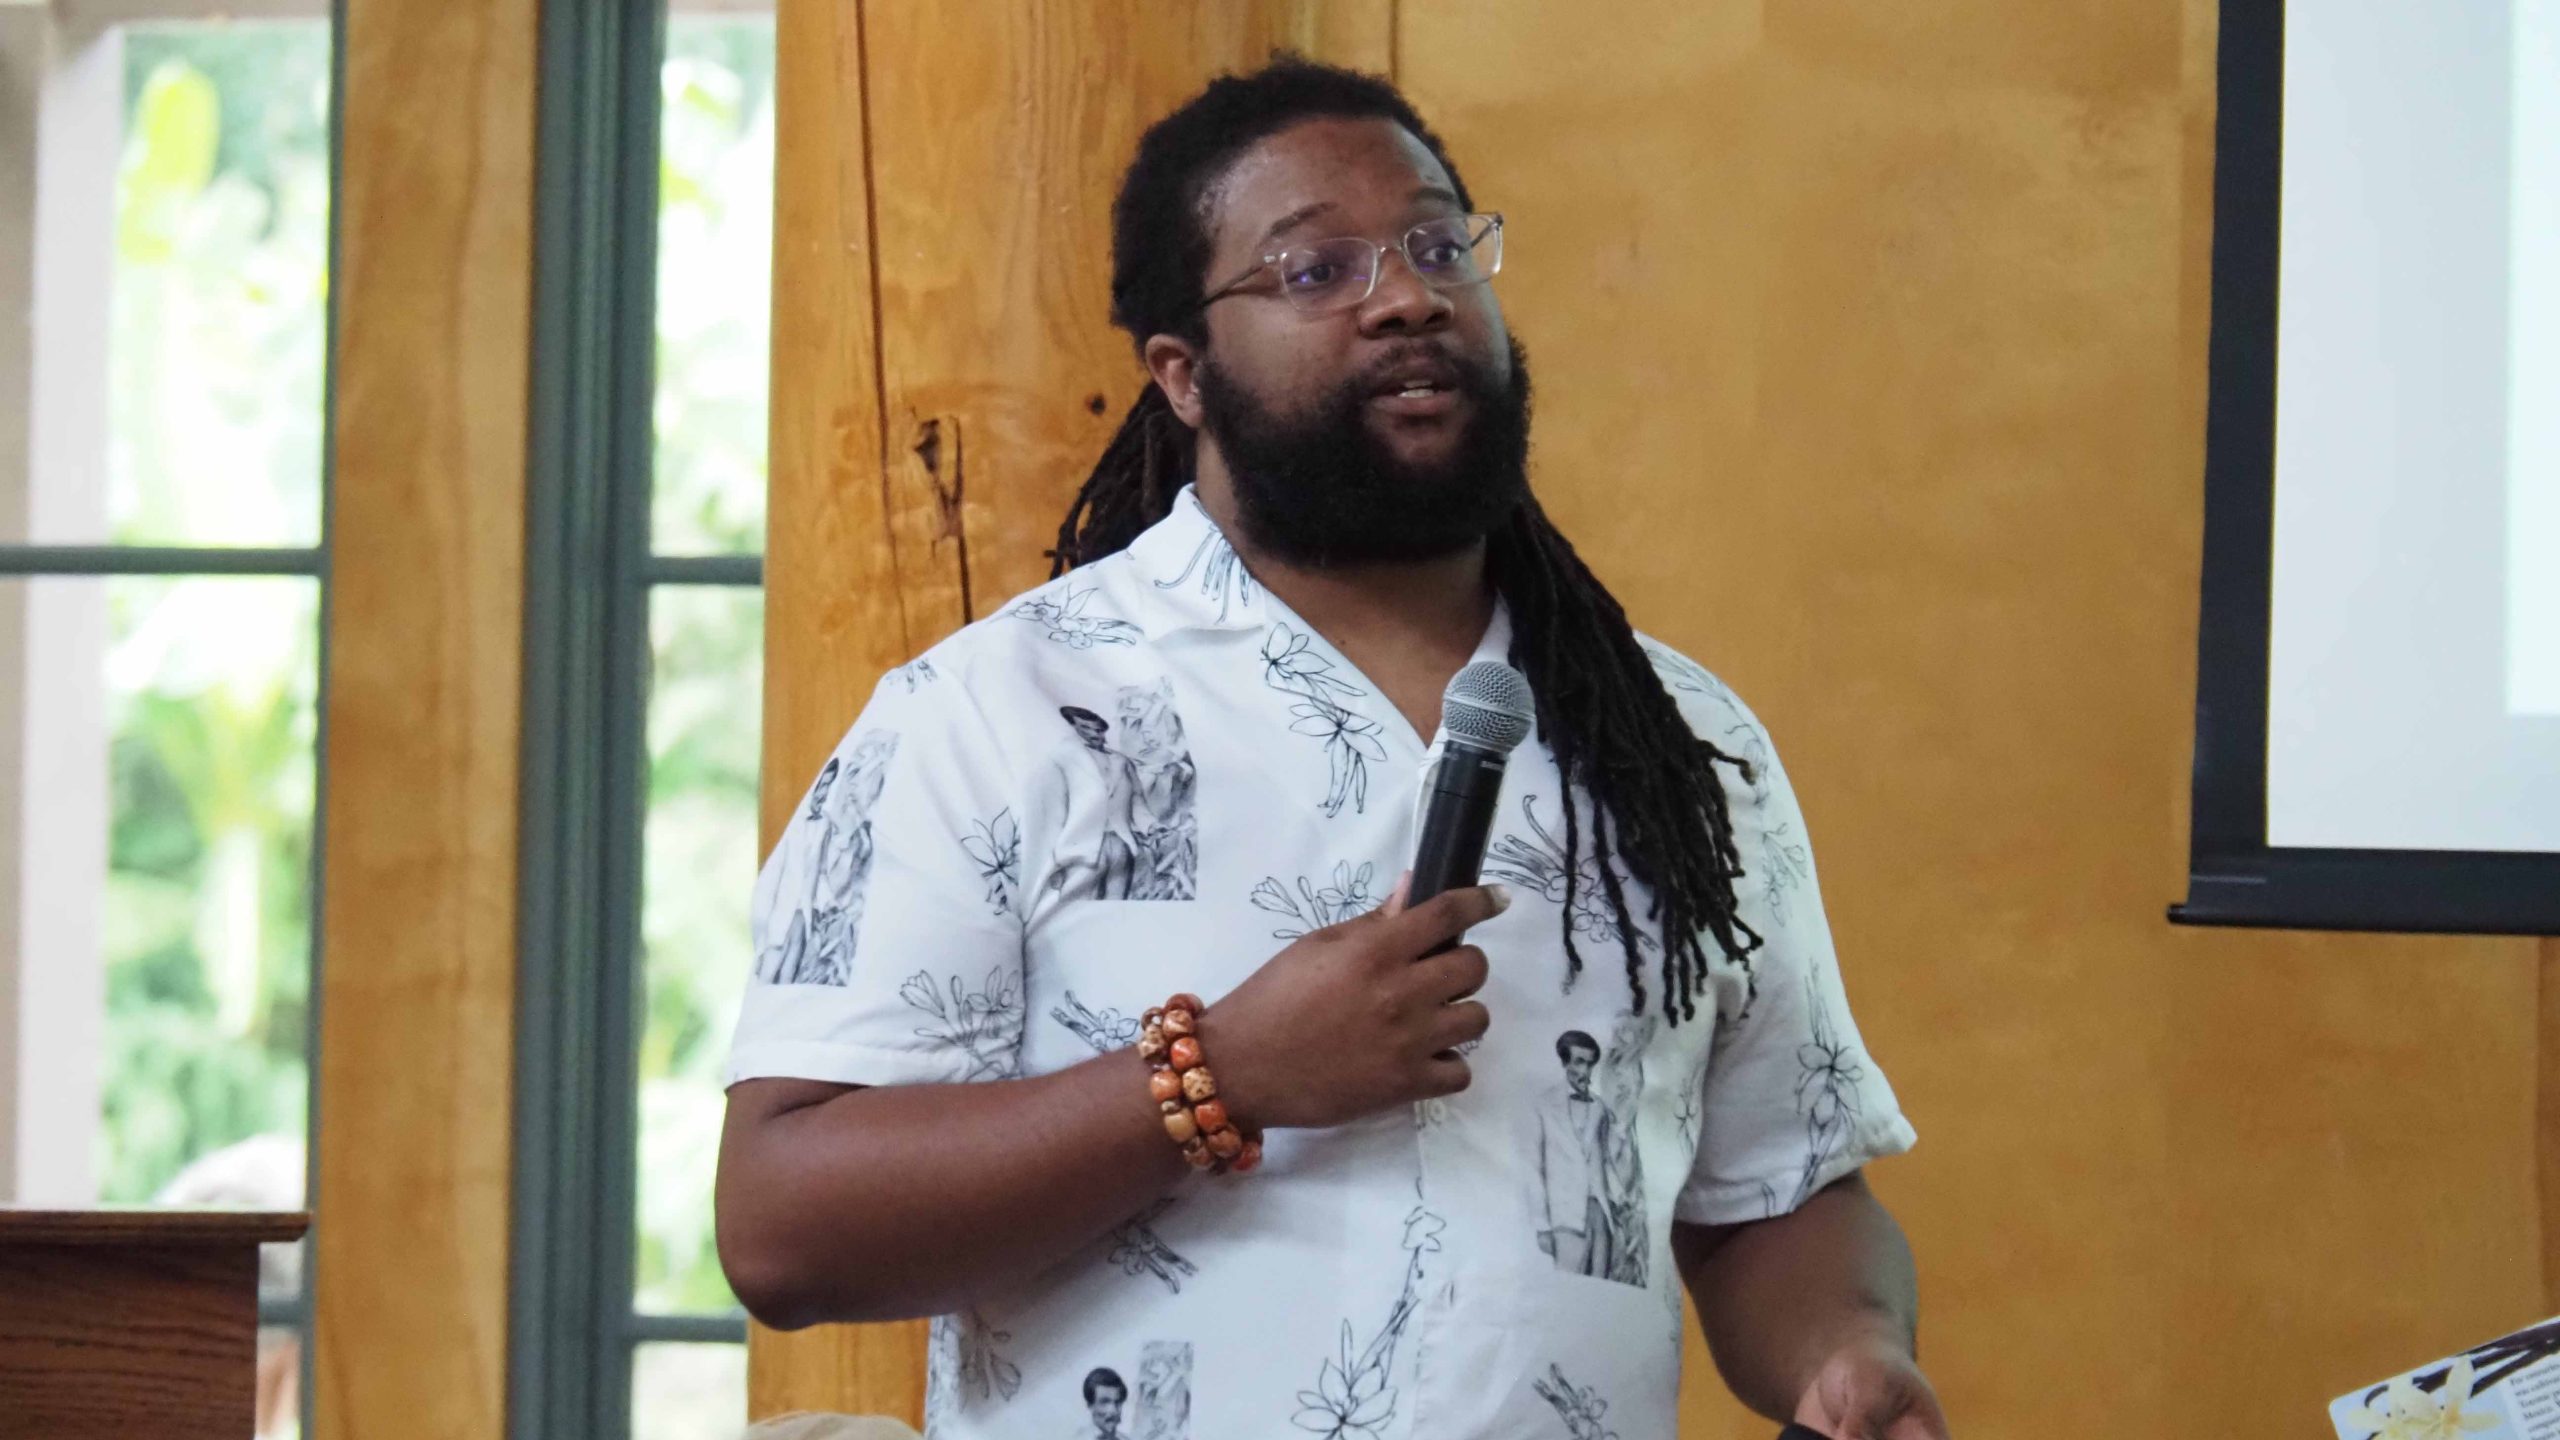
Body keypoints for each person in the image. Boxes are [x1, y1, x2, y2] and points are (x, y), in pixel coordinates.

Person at [718, 56, 1946, 1440]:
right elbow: (784, 1227)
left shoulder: (1680, 743)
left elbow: (1778, 1193)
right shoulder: (997, 713)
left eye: (1438, 245)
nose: (1409, 295)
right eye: (1315, 271)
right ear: (1181, 374)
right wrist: (1216, 1079)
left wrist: (1843, 1352)